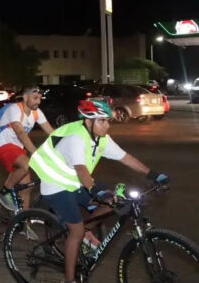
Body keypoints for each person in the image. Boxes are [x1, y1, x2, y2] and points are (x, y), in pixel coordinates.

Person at [28, 100, 168, 283]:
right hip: (56, 183)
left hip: (75, 181)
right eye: (102, 121)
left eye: (108, 121)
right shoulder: (75, 138)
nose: (107, 126)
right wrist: (95, 190)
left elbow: (126, 158)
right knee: (76, 231)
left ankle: (84, 233)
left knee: (114, 202)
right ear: (88, 122)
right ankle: (70, 278)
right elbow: (81, 170)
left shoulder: (101, 139)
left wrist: (153, 174)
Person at [0, 85, 54, 212]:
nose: (38, 101)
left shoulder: (37, 112)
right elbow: (21, 133)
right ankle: (4, 192)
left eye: (40, 98)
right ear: (25, 97)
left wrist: (66, 143)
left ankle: (22, 221)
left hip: (18, 149)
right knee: (26, 164)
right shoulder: (14, 109)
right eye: (35, 98)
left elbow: (51, 132)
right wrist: (36, 153)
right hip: (2, 146)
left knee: (26, 187)